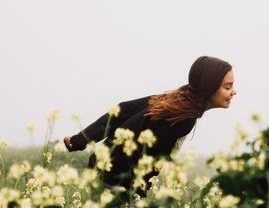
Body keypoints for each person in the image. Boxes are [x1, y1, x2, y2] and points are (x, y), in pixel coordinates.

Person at [64, 56, 236, 197]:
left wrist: (81, 139)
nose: (233, 92)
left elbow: (122, 110)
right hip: (115, 181)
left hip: (103, 169)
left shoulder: (173, 100)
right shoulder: (184, 118)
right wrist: (138, 192)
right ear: (209, 86)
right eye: (228, 87)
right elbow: (152, 157)